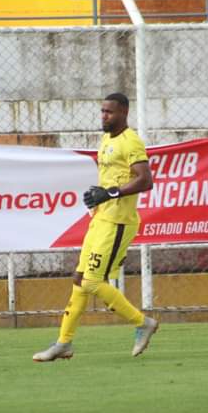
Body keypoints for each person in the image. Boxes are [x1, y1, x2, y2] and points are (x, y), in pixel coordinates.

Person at [33, 93, 158, 361]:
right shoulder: (105, 140)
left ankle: (142, 322)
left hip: (118, 222)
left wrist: (110, 193)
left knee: (92, 281)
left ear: (123, 112)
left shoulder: (131, 141)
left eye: (109, 112)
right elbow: (111, 179)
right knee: (80, 280)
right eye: (102, 111)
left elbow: (145, 180)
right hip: (100, 218)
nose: (104, 116)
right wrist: (97, 195)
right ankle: (63, 343)